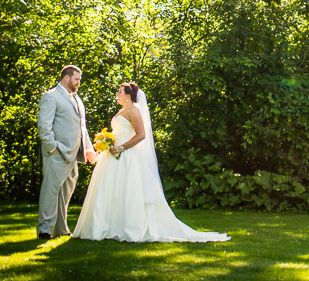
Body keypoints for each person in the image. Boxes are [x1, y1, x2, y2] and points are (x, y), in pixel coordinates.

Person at [72, 82, 230, 243]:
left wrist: (121, 147)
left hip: (126, 154)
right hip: (112, 155)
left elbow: (141, 135)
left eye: (119, 92)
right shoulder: (121, 110)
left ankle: (127, 226)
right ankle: (108, 225)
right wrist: (107, 141)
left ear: (127, 95)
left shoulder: (134, 111)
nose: (117, 95)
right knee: (111, 191)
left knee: (126, 190)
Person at [36, 65, 96, 239]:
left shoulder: (77, 99)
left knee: (65, 194)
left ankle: (61, 228)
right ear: (66, 78)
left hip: (74, 154)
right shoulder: (51, 96)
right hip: (58, 153)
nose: (79, 83)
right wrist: (52, 149)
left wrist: (89, 149)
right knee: (51, 191)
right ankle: (45, 229)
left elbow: (81, 128)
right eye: (76, 79)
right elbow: (44, 126)